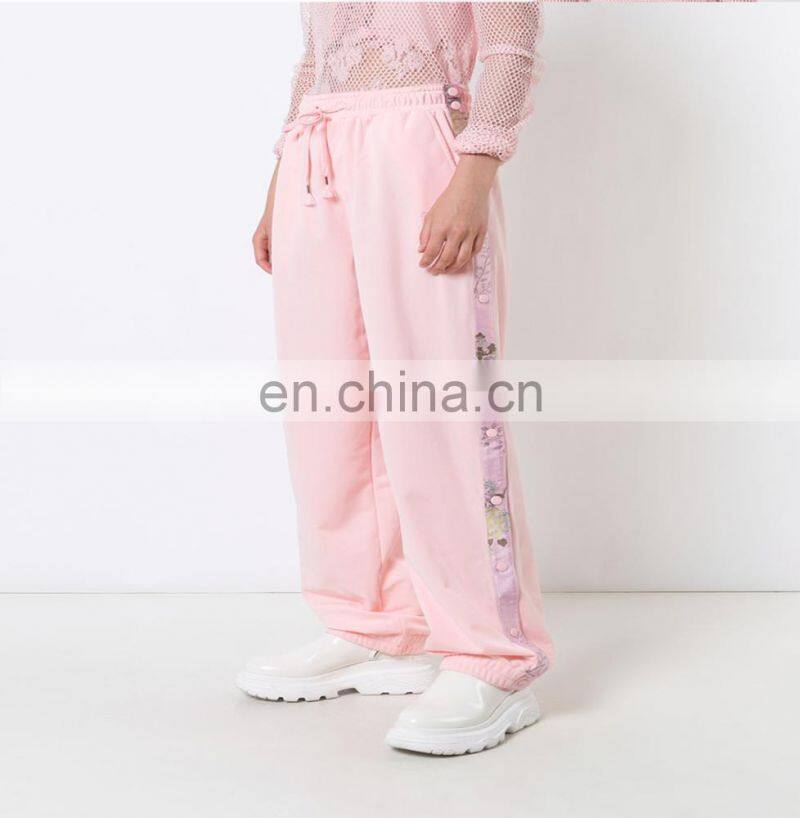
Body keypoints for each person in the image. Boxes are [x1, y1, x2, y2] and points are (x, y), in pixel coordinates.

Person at [239, 1, 553, 756]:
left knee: (439, 405)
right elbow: (316, 57)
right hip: (318, 152)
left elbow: (510, 47)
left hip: (420, 146)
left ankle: (494, 657)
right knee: (330, 408)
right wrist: (280, 177)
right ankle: (375, 622)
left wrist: (476, 168)